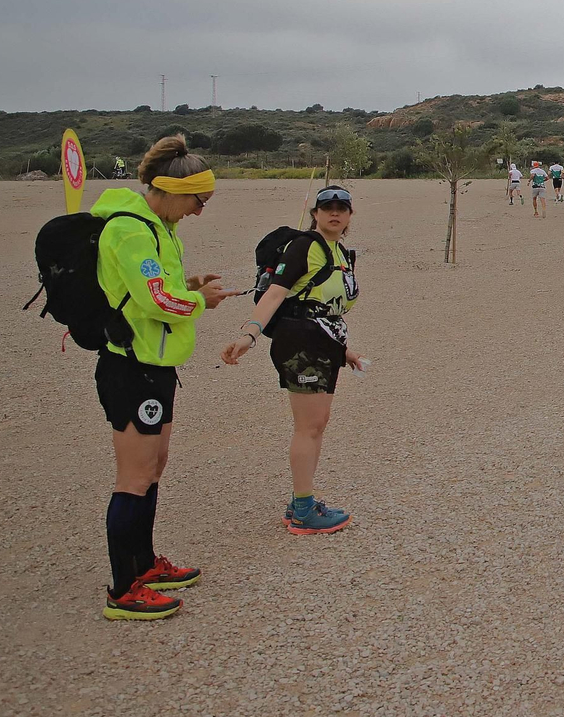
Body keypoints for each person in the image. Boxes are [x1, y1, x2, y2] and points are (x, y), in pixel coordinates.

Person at [92, 136, 234, 619]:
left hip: (157, 367)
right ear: (173, 189)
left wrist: (189, 285)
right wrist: (200, 302)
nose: (200, 211)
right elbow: (155, 301)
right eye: (199, 200)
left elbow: (156, 288)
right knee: (133, 476)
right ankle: (122, 590)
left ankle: (145, 564)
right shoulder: (131, 230)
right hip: (130, 368)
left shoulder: (161, 226)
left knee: (154, 468)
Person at [221, 185, 363, 535]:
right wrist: (249, 334)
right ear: (315, 213)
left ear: (349, 215)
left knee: (317, 425)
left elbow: (324, 307)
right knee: (308, 427)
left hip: (323, 342)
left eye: (341, 208)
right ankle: (302, 510)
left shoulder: (340, 253)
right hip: (300, 342)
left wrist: (344, 353)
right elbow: (276, 294)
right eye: (326, 207)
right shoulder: (304, 247)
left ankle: (303, 498)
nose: (334, 212)